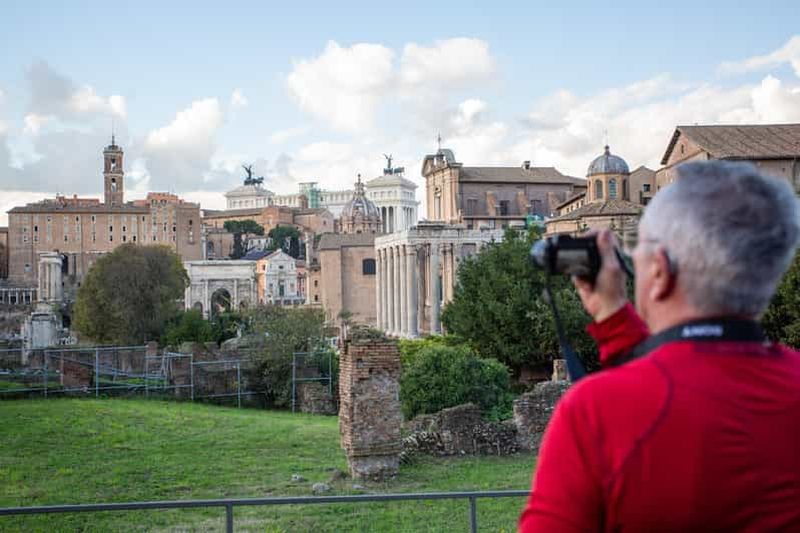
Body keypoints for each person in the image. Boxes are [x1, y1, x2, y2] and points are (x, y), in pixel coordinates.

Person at [519, 161, 800, 531]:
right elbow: (694, 378)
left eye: (640, 250)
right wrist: (613, 316)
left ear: (661, 269)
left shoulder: (594, 413)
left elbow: (667, 395)